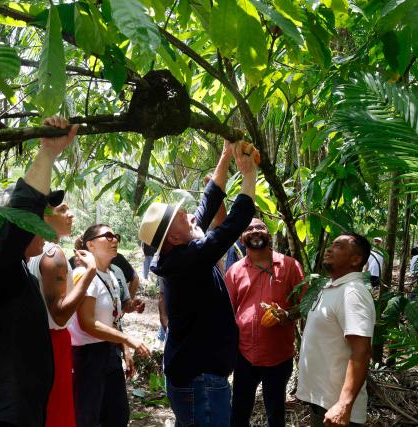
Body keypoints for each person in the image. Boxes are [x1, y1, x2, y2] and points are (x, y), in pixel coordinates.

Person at [0, 116, 78, 427]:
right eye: (42, 213)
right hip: (0, 413)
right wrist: (47, 153)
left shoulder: (14, 269)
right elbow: (21, 216)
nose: (45, 221)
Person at [138, 140, 258, 426]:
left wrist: (227, 153)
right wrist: (249, 174)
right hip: (200, 381)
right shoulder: (189, 259)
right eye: (181, 217)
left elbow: (208, 203)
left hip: (194, 377)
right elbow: (236, 221)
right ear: (174, 239)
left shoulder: (181, 251)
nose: (190, 215)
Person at [225, 218, 304, 427]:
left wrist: (286, 315)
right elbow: (227, 311)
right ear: (242, 238)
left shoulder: (289, 266)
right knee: (239, 412)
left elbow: (306, 305)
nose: (254, 231)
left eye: (260, 227)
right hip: (244, 355)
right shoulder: (234, 271)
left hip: (278, 355)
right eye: (249, 228)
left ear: (268, 234)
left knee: (275, 412)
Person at [69, 224, 151, 427]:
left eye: (116, 235)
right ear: (90, 244)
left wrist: (122, 347)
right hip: (88, 357)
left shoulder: (112, 274)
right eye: (107, 236)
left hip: (108, 351)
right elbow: (87, 323)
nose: (114, 239)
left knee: (118, 415)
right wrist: (126, 340)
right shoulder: (83, 274)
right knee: (88, 418)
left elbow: (113, 317)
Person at [26, 199, 98, 427]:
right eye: (63, 209)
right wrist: (90, 273)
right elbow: (59, 314)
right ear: (45, 217)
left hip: (35, 340)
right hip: (53, 341)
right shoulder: (53, 254)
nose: (71, 214)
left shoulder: (31, 251)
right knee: (56, 410)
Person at [296, 233, 375, 427]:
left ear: (355, 259)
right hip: (324, 402)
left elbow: (361, 352)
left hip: (337, 407)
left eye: (338, 246)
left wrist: (344, 404)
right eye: (331, 245)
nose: (329, 249)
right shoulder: (334, 287)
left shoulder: (353, 293)